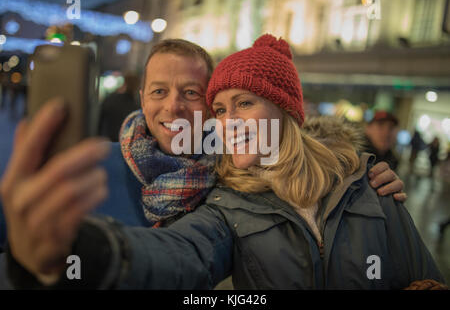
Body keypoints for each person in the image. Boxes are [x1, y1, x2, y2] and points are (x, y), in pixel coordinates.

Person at [1, 35, 445, 289]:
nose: (174, 108)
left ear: (285, 111)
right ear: (141, 98)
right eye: (158, 91)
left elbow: (424, 276)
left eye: (193, 94)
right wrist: (78, 253)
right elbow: (182, 254)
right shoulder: (227, 203)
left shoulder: (366, 185)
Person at [98, 74, 140, 142]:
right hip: (127, 143)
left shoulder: (111, 99)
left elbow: (100, 124)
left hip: (109, 141)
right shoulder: (136, 105)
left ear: (124, 83)